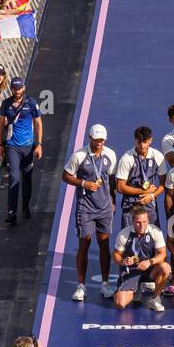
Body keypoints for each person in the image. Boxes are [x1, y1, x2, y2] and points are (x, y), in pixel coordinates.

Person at [63, 124, 116, 301]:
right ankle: (81, 285)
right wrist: (83, 184)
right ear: (90, 138)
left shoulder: (110, 155)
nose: (99, 143)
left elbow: (113, 180)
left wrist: (113, 201)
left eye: (102, 140)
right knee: (84, 243)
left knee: (104, 244)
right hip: (85, 207)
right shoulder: (79, 156)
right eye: (96, 140)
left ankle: (106, 284)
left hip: (104, 208)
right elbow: (66, 175)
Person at [0, 77, 42, 225]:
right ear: (11, 89)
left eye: (19, 88)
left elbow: (38, 124)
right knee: (14, 178)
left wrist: (39, 144)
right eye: (14, 88)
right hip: (12, 147)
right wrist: (0, 144)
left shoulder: (31, 103)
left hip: (28, 146)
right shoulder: (6, 104)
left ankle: (25, 208)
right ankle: (12, 212)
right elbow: (1, 124)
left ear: (23, 88)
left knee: (27, 178)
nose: (17, 91)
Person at [112, 206, 170, 311]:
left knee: (165, 267)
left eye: (144, 221)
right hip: (132, 271)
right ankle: (135, 288)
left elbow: (162, 254)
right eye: (138, 222)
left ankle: (155, 298)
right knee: (120, 304)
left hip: (150, 269)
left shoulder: (155, 231)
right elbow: (116, 254)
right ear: (133, 221)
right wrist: (122, 261)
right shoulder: (124, 234)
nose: (142, 225)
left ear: (148, 220)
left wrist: (149, 262)